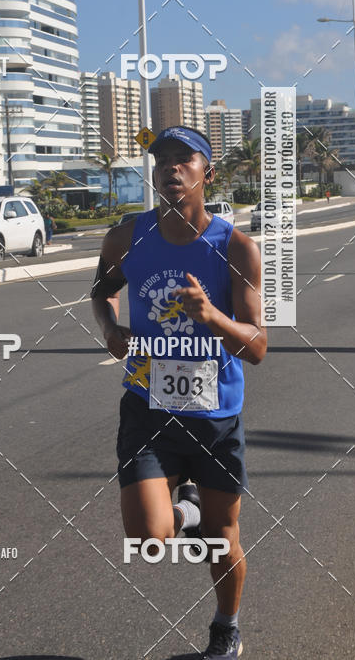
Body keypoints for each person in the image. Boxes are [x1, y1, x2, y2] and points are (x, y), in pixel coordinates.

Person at [91, 126, 267, 659]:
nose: (171, 167)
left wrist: (212, 315)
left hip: (216, 413)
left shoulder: (236, 247)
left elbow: (257, 346)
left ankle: (226, 626)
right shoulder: (126, 237)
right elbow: (102, 292)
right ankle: (182, 512)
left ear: (205, 173)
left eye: (183, 159)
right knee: (148, 539)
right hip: (148, 405)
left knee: (222, 537)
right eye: (161, 159)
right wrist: (109, 327)